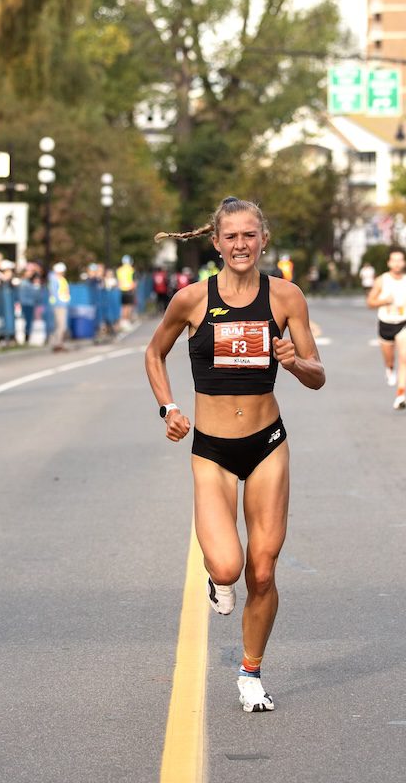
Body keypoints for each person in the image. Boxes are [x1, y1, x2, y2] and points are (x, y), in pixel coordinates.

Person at [145, 197, 324, 714]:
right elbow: (154, 353)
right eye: (232, 237)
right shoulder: (191, 300)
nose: (241, 245)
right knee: (227, 567)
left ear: (263, 239)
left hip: (267, 442)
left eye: (250, 235)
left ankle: (251, 672)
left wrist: (294, 363)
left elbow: (317, 374)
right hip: (213, 449)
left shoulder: (287, 297)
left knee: (262, 572)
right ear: (217, 242)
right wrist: (168, 407)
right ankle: (216, 581)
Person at [367, 247, 406, 410]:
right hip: (385, 323)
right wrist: (384, 301)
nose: (397, 263)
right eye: (394, 260)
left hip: (404, 323)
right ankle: (389, 369)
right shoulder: (382, 280)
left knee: (404, 359)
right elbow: (370, 302)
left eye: (400, 260)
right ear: (389, 262)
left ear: (404, 262)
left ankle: (401, 395)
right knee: (390, 360)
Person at [48, 262, 70, 352]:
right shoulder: (54, 280)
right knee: (61, 325)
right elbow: (54, 293)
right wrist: (56, 303)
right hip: (58, 305)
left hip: (62, 304)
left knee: (61, 326)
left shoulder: (61, 279)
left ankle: (59, 343)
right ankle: (57, 343)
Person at [117, 255, 137, 328]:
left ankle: (123, 321)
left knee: (123, 306)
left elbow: (118, 281)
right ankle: (127, 321)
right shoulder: (131, 270)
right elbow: (134, 282)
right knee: (128, 306)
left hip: (121, 290)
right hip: (129, 289)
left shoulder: (119, 270)